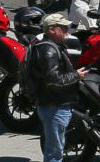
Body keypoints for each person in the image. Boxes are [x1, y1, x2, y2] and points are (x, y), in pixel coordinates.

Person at [26, 13, 83, 162]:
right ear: (52, 29)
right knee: (54, 153)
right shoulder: (48, 50)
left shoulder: (52, 47)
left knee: (57, 148)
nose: (67, 30)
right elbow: (53, 80)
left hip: (56, 105)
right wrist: (76, 76)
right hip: (54, 107)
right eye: (63, 27)